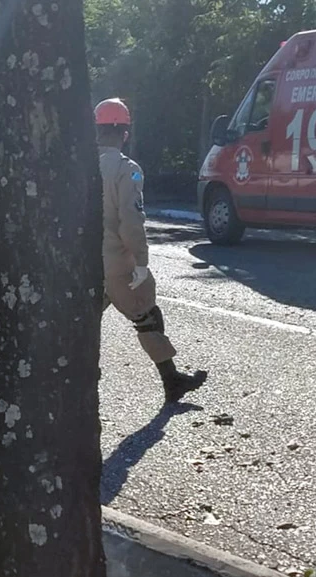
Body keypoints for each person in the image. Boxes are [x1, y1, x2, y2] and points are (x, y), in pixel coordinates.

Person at [95, 98, 208, 404]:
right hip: (115, 261)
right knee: (147, 314)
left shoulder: (77, 168)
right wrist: (141, 262)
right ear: (125, 133)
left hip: (81, 260)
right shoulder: (126, 170)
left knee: (81, 322)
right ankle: (171, 381)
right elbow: (131, 221)